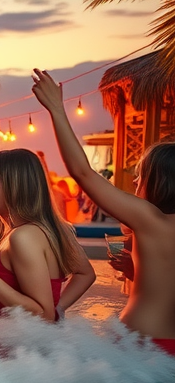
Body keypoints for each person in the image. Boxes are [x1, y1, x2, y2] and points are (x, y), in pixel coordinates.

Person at [33, 69, 175, 354]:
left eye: (141, 175)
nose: (135, 182)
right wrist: (136, 272)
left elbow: (83, 174)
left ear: (160, 180)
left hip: (140, 348)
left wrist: (56, 109)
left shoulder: (151, 220)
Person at [0, 149, 95, 322]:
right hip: (25, 338)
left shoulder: (23, 236)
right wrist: (58, 309)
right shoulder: (45, 229)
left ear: (15, 185)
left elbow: (43, 316)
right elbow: (86, 274)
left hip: (19, 339)